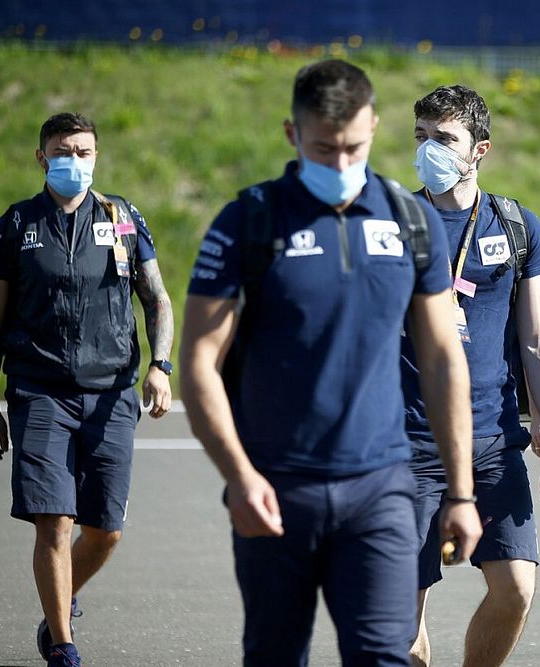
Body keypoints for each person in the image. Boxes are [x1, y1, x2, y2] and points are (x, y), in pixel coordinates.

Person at [180, 60, 482, 667]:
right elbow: (197, 362)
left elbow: (445, 358)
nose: (342, 165)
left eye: (355, 147)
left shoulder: (408, 220)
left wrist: (462, 491)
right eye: (324, 149)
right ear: (293, 134)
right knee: (274, 654)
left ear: (373, 127)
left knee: (381, 655)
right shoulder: (250, 221)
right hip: (275, 489)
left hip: (381, 490)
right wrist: (239, 476)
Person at [0, 112, 174, 667]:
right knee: (54, 521)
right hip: (40, 393)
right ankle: (62, 645)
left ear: (96, 156)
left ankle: (59, 600)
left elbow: (156, 298)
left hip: (111, 395)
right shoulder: (16, 225)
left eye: (84, 151)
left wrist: (160, 365)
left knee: (105, 530)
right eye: (63, 151)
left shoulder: (122, 217)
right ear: (42, 157)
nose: (75, 160)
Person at [403, 84, 540, 667]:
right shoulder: (395, 223)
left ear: (480, 149)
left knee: (517, 588)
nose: (429, 149)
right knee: (403, 618)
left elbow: (537, 338)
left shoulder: (516, 224)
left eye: (445, 139)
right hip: (409, 441)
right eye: (421, 136)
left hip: (494, 440)